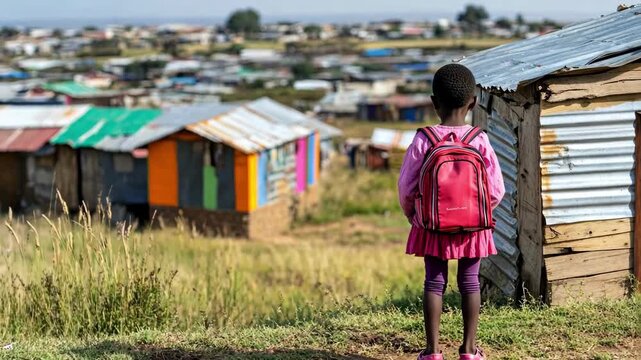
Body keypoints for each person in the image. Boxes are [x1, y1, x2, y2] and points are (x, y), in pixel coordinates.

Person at [397, 64, 505, 360]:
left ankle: (432, 352)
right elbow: (496, 190)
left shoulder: (424, 139)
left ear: (434, 102)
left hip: (432, 225)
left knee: (434, 282)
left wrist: (414, 215)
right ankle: (469, 351)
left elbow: (406, 187)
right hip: (473, 227)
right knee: (470, 283)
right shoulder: (479, 139)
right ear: (473, 103)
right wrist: (475, 213)